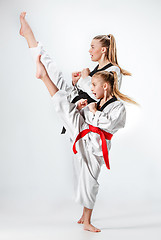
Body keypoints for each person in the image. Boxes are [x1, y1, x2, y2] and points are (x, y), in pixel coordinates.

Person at [34, 51, 137, 232]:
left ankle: (87, 221)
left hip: (96, 146)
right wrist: (82, 108)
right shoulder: (95, 102)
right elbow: (88, 115)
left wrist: (93, 111)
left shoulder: (118, 106)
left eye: (94, 86)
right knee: (65, 107)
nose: (91, 90)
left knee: (90, 181)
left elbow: (110, 124)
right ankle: (44, 77)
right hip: (84, 133)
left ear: (105, 86)